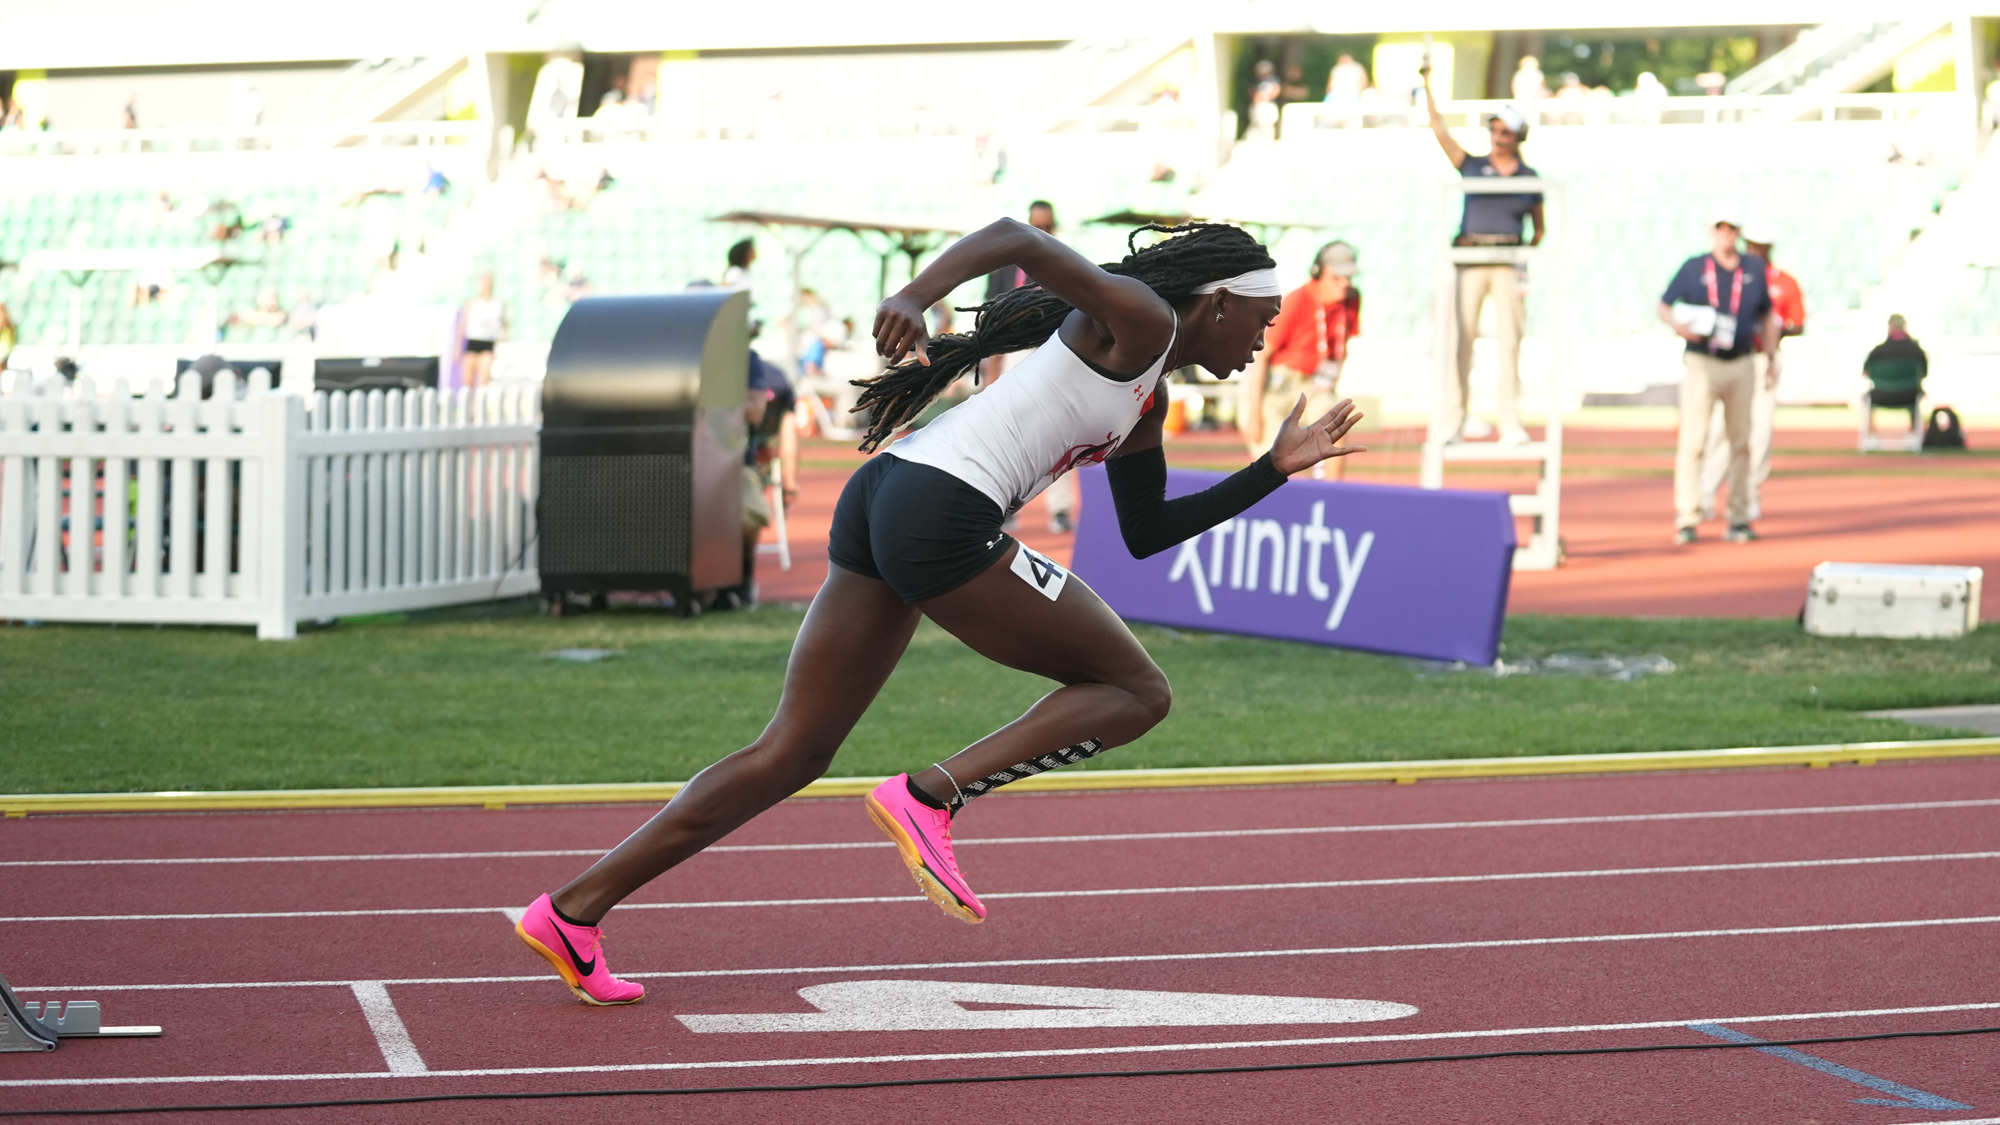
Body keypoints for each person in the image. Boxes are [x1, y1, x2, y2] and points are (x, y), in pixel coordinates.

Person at [511, 219, 1365, 1005]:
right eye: (1259, 317)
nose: (1263, 339)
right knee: (1136, 691)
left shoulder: (1147, 397)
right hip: (940, 508)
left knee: (792, 751)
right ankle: (931, 797)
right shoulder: (1142, 319)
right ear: (1216, 302)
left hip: (889, 491)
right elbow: (1012, 235)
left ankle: (574, 909)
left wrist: (1271, 470)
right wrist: (911, 298)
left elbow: (1148, 531)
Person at [1423, 70, 1543, 446]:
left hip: (1507, 262)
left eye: (1505, 131)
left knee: (1510, 342)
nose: (1497, 137)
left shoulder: (1529, 176)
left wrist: (1520, 255)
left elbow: (1540, 228)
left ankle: (1509, 422)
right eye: (1494, 130)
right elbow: (1439, 131)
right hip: (1470, 259)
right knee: (1462, 341)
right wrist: (1428, 84)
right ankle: (1454, 421)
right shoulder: (1473, 164)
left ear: (1517, 136)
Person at [1659, 216, 1778, 544]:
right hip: (1702, 362)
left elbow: (1767, 315)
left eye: (1732, 229)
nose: (1726, 234)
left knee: (1741, 442)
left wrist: (1770, 357)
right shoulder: (1695, 267)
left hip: (1741, 362)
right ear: (1712, 231)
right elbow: (1663, 304)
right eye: (1720, 228)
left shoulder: (1753, 268)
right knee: (1692, 442)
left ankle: (1739, 516)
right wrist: (1679, 328)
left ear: (1739, 233)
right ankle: (1687, 515)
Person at [980, 201, 1077, 532]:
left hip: (1055, 355)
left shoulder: (1068, 265)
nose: (1042, 233)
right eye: (1037, 225)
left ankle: (1060, 509)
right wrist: (991, 371)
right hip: (1012, 353)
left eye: (1048, 226)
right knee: (1007, 434)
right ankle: (1004, 507)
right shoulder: (1004, 268)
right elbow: (989, 318)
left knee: (1062, 435)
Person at [1701, 226, 1803, 522]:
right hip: (1735, 357)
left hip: (1764, 358)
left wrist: (1778, 327)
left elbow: (1798, 322)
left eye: (1763, 247)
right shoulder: (1735, 275)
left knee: (1759, 431)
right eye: (1754, 246)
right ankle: (1706, 492)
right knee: (1721, 429)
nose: (1757, 252)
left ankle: (1747, 495)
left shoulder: (1785, 281)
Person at [1241, 241, 1360, 479]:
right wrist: (1253, 413)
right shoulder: (1297, 301)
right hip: (1274, 390)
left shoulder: (1352, 300)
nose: (1345, 284)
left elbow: (1340, 348)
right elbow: (1260, 357)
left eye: (1349, 277)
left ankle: (1333, 495)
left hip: (1313, 387)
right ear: (1319, 273)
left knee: (1336, 418)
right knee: (1281, 472)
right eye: (1337, 278)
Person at [718, 348, 800, 611]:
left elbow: (766, 418)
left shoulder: (749, 362)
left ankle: (741, 580)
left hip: (738, 464)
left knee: (749, 507)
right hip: (692, 462)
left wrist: (789, 481)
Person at [1860, 314, 1928, 439]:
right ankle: (1913, 435)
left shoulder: (1878, 351)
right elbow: (1923, 374)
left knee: (1864, 398)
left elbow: (1865, 373)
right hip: (1909, 396)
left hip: (1880, 395)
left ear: (1890, 327)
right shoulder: (1916, 351)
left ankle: (1871, 436)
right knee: (1917, 393)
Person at [462, 274, 505, 389]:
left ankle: (478, 406)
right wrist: (458, 348)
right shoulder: (472, 303)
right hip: (472, 343)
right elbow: (462, 326)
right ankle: (469, 406)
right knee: (468, 383)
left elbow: (505, 324)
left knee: (483, 383)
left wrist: (502, 339)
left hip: (487, 344)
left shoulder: (498, 304)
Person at [1247, 60, 1281, 142]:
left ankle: (1268, 141)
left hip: (1268, 105)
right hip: (1258, 105)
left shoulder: (1273, 80)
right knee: (1256, 125)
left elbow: (1277, 90)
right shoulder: (1256, 80)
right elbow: (1252, 92)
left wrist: (1266, 97)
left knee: (1268, 126)